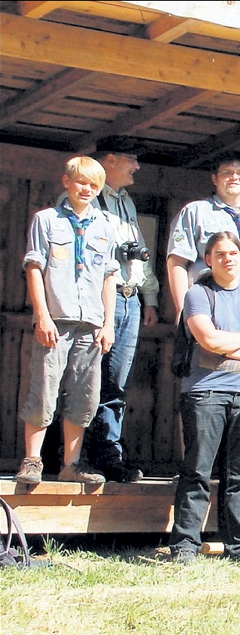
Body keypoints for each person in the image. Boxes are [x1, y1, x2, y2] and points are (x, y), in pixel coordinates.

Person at [167, 151, 240, 484]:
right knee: (203, 397)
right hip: (210, 315)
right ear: (214, 178)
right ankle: (193, 471)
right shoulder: (196, 212)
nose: (234, 177)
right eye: (226, 172)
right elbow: (177, 262)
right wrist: (183, 310)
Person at [168, 231, 240, 564]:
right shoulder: (198, 294)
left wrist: (228, 342)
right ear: (209, 260)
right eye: (220, 254)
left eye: (233, 253)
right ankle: (186, 545)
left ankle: (239, 546)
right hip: (205, 393)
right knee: (197, 470)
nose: (227, 259)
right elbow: (208, 341)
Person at [15, 157, 118, 485]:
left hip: (91, 324)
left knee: (84, 395)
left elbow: (109, 277)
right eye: (81, 182)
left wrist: (109, 323)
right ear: (66, 182)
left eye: (94, 185)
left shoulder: (105, 225)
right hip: (55, 321)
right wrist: (42, 315)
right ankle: (32, 461)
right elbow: (34, 267)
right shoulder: (46, 220)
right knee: (44, 389)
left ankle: (71, 465)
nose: (87, 189)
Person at [75, 137, 159, 483]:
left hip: (129, 299)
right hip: (96, 299)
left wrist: (150, 296)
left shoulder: (125, 201)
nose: (136, 167)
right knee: (85, 378)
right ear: (110, 160)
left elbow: (137, 252)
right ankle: (75, 455)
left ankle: (110, 454)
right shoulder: (88, 198)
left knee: (115, 384)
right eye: (131, 159)